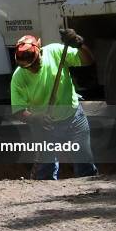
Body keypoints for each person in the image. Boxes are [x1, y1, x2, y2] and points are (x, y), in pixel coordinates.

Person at [10, 29, 98, 180]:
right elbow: (18, 110)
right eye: (27, 67)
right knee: (45, 171)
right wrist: (36, 118)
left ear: (40, 49)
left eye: (34, 62)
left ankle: (90, 197)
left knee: (85, 165)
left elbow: (88, 60)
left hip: (74, 118)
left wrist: (79, 45)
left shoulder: (55, 52)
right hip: (44, 126)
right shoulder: (18, 78)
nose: (32, 68)